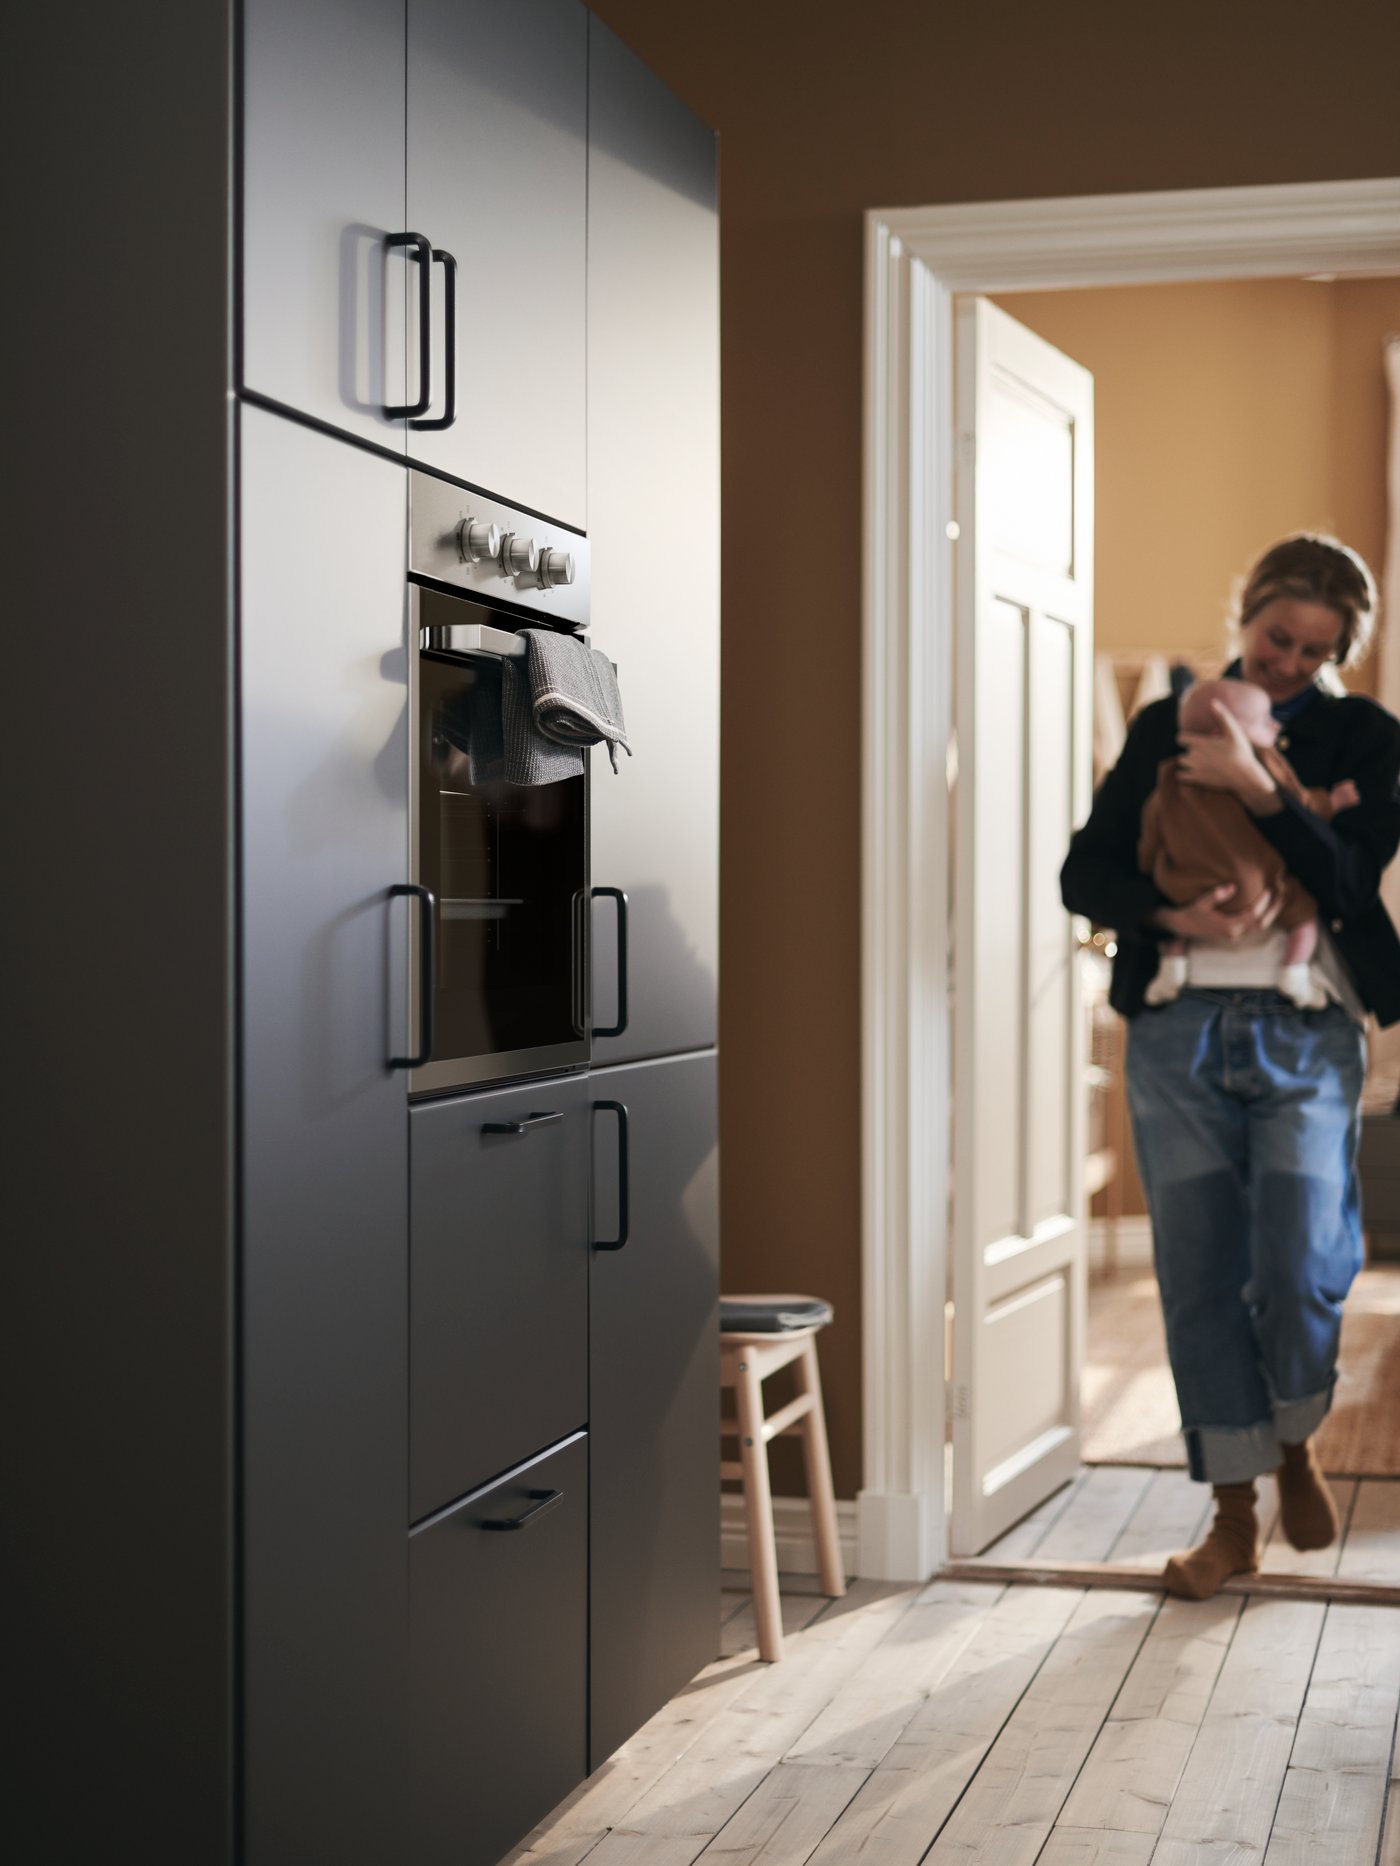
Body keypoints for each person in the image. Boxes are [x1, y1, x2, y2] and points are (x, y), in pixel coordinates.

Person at [1061, 534, 1400, 1600]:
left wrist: (1258, 790)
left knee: (1301, 1259)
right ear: (1243, 614)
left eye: (1313, 648)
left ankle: (1293, 1436)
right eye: (1273, 638)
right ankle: (1231, 1514)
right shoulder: (1167, 720)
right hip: (1175, 1037)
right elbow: (1086, 868)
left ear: (1341, 648)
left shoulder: (1361, 735)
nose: (1287, 663)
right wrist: (1168, 912)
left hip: (1303, 1032)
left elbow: (1349, 878)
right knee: (1199, 1273)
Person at [1139, 676, 1360, 1011]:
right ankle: (1295, 972)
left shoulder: (1169, 780)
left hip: (1187, 889)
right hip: (1259, 890)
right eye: (1264, 720)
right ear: (1223, 733)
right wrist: (1332, 801)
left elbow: (1150, 833)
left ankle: (1172, 967)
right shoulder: (1266, 762)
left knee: (1174, 923)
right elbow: (1300, 805)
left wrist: (1152, 867)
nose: (1275, 724)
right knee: (1304, 916)